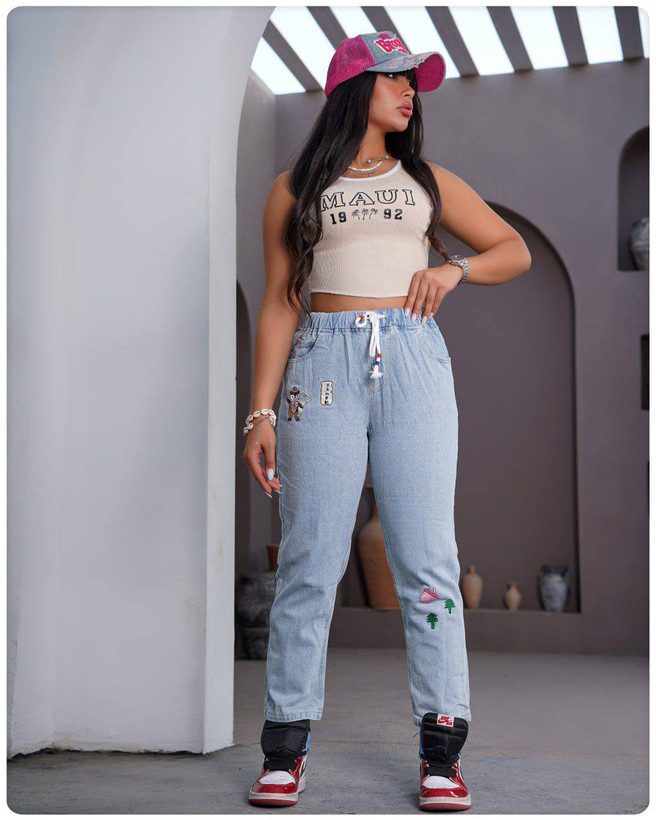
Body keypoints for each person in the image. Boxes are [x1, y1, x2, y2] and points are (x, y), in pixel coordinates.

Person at [242, 30, 531, 812]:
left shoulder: (426, 180)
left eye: (413, 80)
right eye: (395, 77)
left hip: (412, 360)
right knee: (309, 557)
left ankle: (442, 754)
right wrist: (260, 411)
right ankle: (285, 749)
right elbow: (280, 301)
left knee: (429, 560)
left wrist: (454, 269)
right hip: (320, 366)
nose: (410, 91)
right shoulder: (294, 187)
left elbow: (512, 251)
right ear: (353, 87)